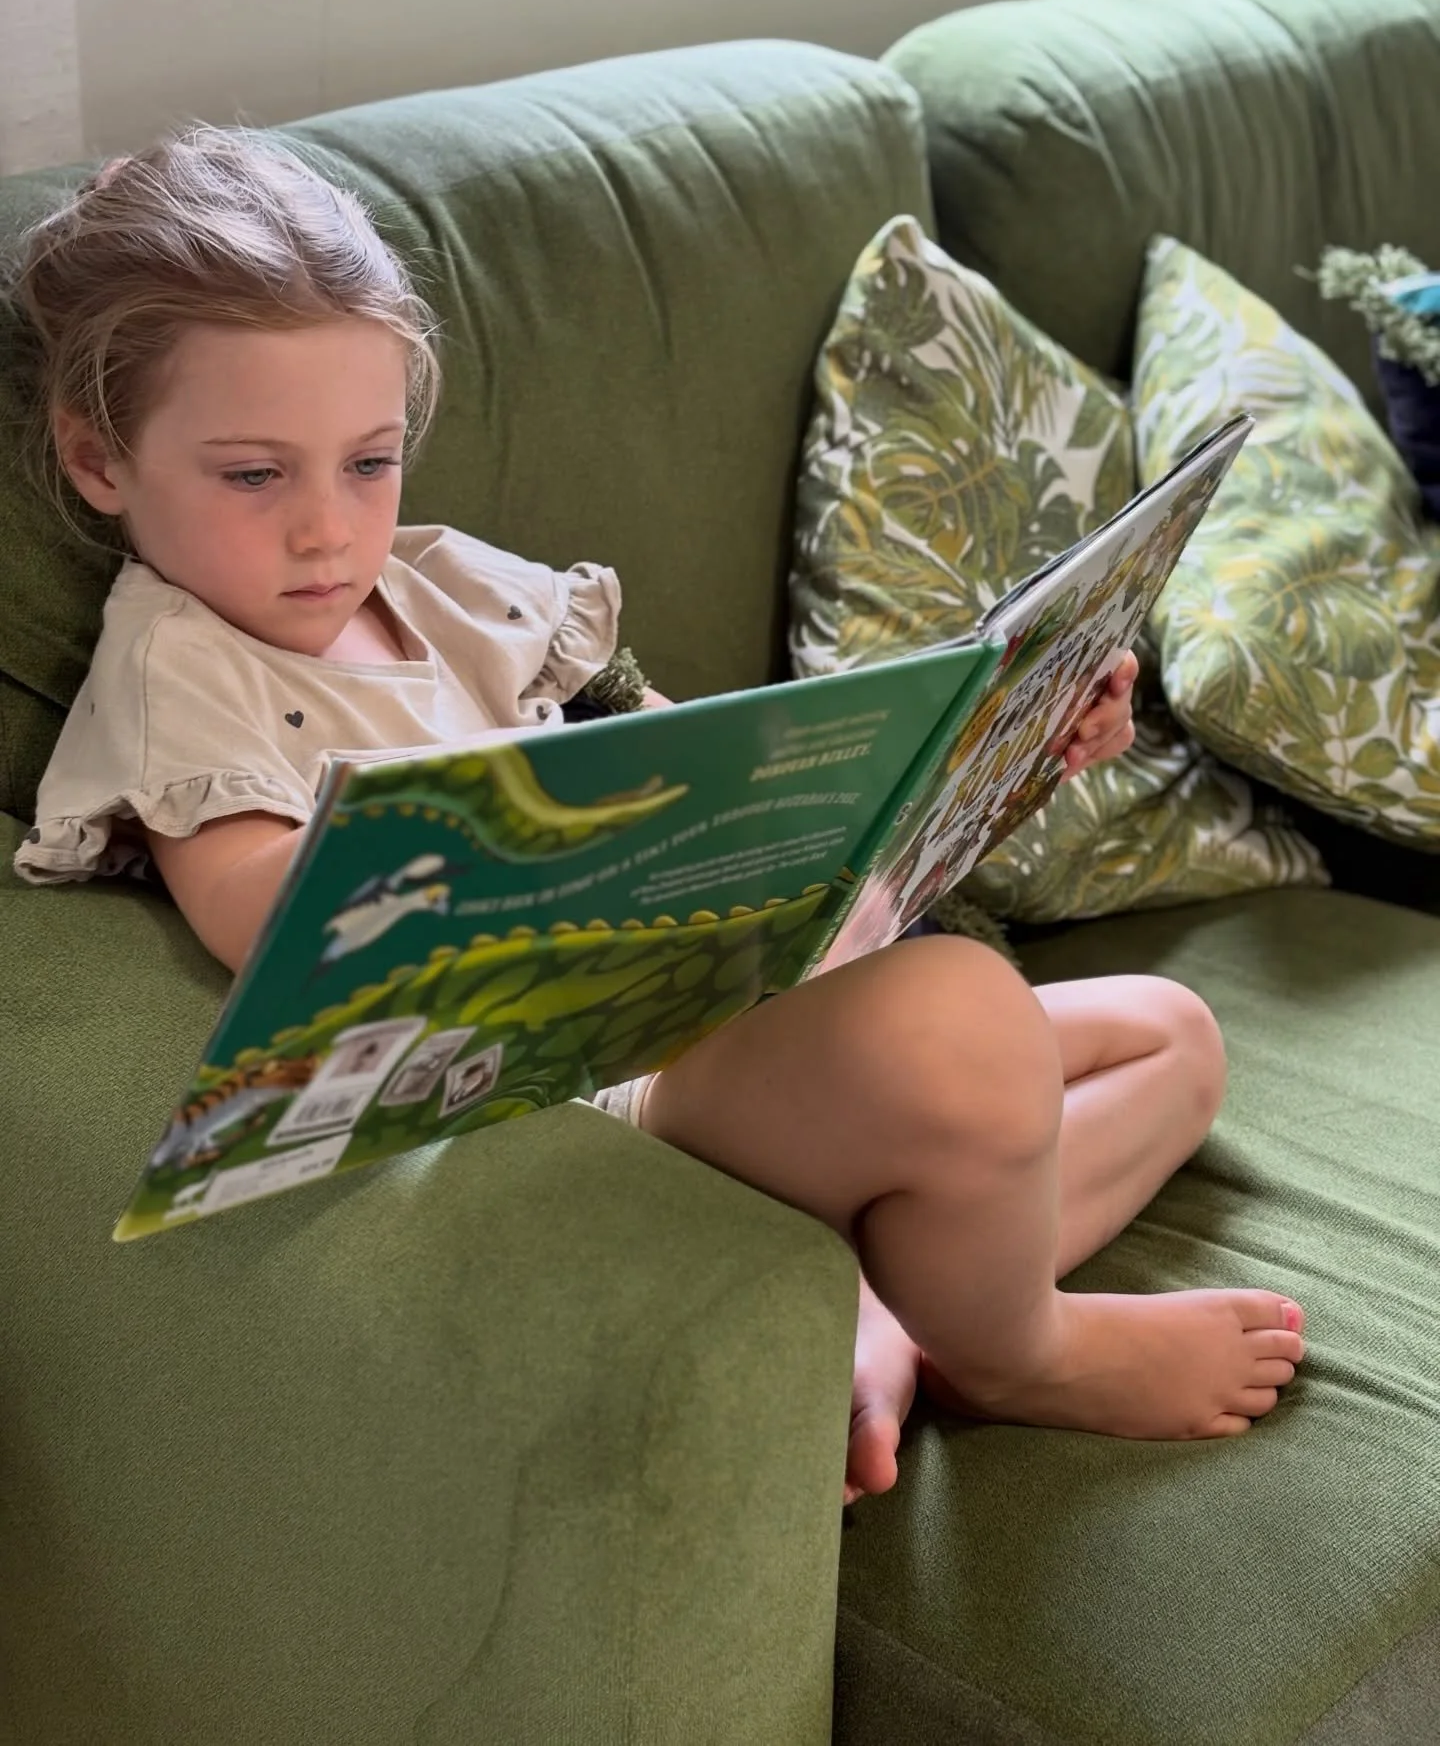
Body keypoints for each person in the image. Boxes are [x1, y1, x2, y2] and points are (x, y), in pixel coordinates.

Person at [10, 130, 1305, 1506]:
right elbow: (262, 911)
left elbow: (726, 764)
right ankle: (1025, 1348)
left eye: (371, 462)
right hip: (596, 1084)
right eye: (256, 476)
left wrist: (995, 755)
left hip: (723, 993)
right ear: (101, 461)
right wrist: (534, 842)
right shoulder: (180, 666)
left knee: (1176, 1037)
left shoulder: (453, 587)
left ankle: (897, 1311)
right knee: (965, 1021)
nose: (330, 532)